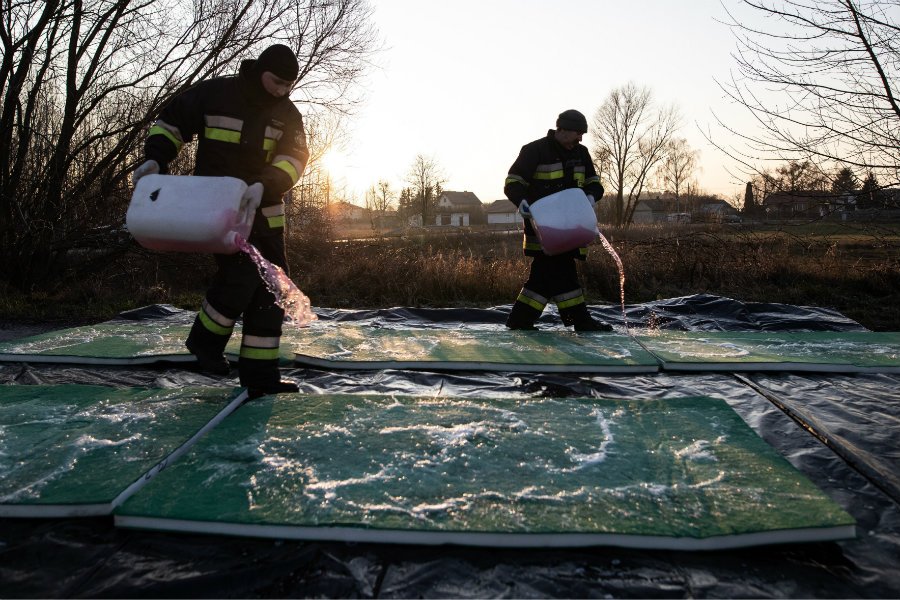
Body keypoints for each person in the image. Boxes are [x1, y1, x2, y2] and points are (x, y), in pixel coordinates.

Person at [132, 44, 309, 398]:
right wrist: (155, 160)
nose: (281, 91)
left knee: (271, 292)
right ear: (260, 70)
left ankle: (260, 378)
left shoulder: (287, 114)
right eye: (276, 82)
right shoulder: (217, 94)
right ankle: (205, 342)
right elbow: (171, 123)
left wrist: (265, 185)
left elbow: (295, 158)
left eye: (288, 85)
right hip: (218, 213)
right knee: (241, 275)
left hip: (266, 215)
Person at [503, 109, 612, 332]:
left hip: (572, 228)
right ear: (562, 130)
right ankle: (579, 321)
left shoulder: (581, 153)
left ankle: (521, 320)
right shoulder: (534, 151)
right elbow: (513, 182)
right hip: (544, 230)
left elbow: (594, 183)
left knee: (546, 276)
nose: (580, 138)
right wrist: (521, 201)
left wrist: (590, 196)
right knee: (560, 272)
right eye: (577, 133)